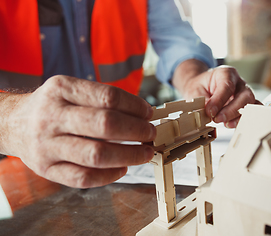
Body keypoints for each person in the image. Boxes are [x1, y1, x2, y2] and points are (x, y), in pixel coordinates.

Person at [0, 0, 257, 188]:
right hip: (23, 172)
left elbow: (174, 37)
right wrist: (11, 123)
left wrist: (193, 78)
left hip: (123, 168)